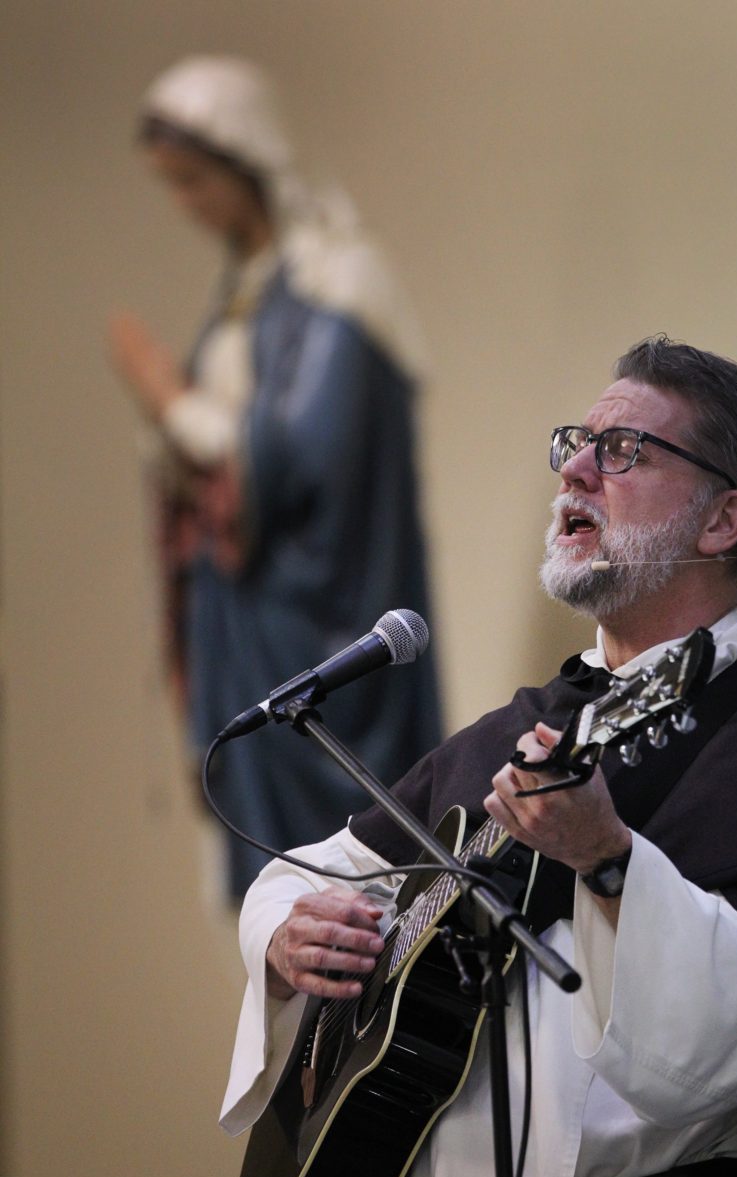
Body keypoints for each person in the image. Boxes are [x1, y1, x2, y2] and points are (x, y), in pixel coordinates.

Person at [220, 336, 737, 1177]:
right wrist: (281, 938)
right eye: (576, 442)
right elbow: (301, 874)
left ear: (724, 521)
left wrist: (611, 863)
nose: (574, 469)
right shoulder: (526, 724)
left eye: (622, 451)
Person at [108, 56, 441, 898]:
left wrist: (168, 399)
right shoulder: (244, 295)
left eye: (194, 181)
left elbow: (301, 463)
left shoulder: (341, 284)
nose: (188, 207)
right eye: (172, 187)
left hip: (319, 621)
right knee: (274, 902)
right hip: (246, 626)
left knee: (345, 888)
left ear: (246, 162)